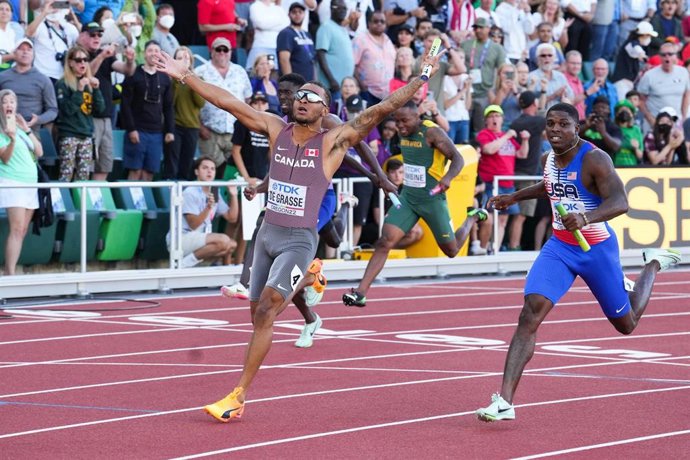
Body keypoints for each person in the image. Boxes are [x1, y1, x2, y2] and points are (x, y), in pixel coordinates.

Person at [154, 43, 442, 421]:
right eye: (299, 95)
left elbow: (381, 108)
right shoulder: (276, 127)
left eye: (312, 97)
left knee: (268, 311)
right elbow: (229, 103)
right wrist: (185, 75)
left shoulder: (334, 141)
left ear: (326, 111)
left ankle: (237, 395)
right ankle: (309, 277)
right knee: (257, 312)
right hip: (268, 236)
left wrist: (420, 78)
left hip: (298, 238)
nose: (302, 100)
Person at [475, 102, 682, 422]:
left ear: (577, 128)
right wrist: (513, 197)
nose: (555, 129)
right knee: (530, 313)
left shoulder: (596, 159)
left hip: (596, 249)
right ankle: (505, 401)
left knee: (626, 324)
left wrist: (585, 217)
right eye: (550, 124)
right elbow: (550, 187)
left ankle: (652, 264)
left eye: (563, 124)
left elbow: (620, 202)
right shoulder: (549, 159)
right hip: (560, 247)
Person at [342, 100, 488, 307]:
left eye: (404, 121)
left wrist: (447, 179)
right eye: (396, 121)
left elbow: (458, 159)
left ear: (417, 117)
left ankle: (472, 217)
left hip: (432, 199)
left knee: (451, 250)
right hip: (409, 198)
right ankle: (360, 292)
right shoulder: (403, 132)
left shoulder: (432, 132)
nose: (399, 126)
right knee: (385, 241)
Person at [0, 89, 43, 275]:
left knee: (23, 230)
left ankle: (11, 271)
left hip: (29, 183)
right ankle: (10, 274)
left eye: (12, 101)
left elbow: (39, 152)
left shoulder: (20, 128)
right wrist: (11, 140)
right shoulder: (2, 131)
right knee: (16, 229)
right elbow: (5, 158)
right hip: (12, 182)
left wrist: (26, 129)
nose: (9, 105)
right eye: (5, 101)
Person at [167, 156, 239, 268]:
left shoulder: (214, 190)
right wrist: (208, 207)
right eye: (205, 168)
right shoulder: (190, 192)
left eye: (212, 169)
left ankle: (197, 266)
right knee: (223, 240)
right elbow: (193, 225)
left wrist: (233, 195)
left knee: (232, 244)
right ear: (196, 172)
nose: (209, 171)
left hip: (199, 237)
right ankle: (182, 265)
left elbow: (232, 218)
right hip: (180, 238)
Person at [120, 40, 174, 181]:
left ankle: (144, 203)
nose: (153, 54)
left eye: (156, 50)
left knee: (149, 173)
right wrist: (131, 129)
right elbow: (125, 105)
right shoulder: (134, 74)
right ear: (144, 54)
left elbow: (168, 107)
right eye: (150, 50)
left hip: (156, 132)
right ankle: (131, 202)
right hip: (137, 130)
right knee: (135, 171)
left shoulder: (165, 78)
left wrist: (170, 130)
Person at [55, 45, 105, 182]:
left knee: (83, 177)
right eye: (78, 60)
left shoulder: (89, 83)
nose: (82, 63)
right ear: (70, 63)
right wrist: (79, 90)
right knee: (66, 174)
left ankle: (79, 204)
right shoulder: (62, 84)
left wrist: (97, 90)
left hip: (86, 135)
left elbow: (100, 110)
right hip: (69, 135)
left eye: (85, 59)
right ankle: (64, 203)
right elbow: (67, 110)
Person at [165, 46, 205, 180]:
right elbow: (171, 102)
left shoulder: (198, 79)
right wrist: (177, 79)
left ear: (191, 61)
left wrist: (190, 77)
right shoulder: (169, 81)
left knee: (187, 165)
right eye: (179, 58)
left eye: (186, 58)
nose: (182, 61)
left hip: (192, 127)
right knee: (172, 165)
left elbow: (200, 103)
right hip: (175, 126)